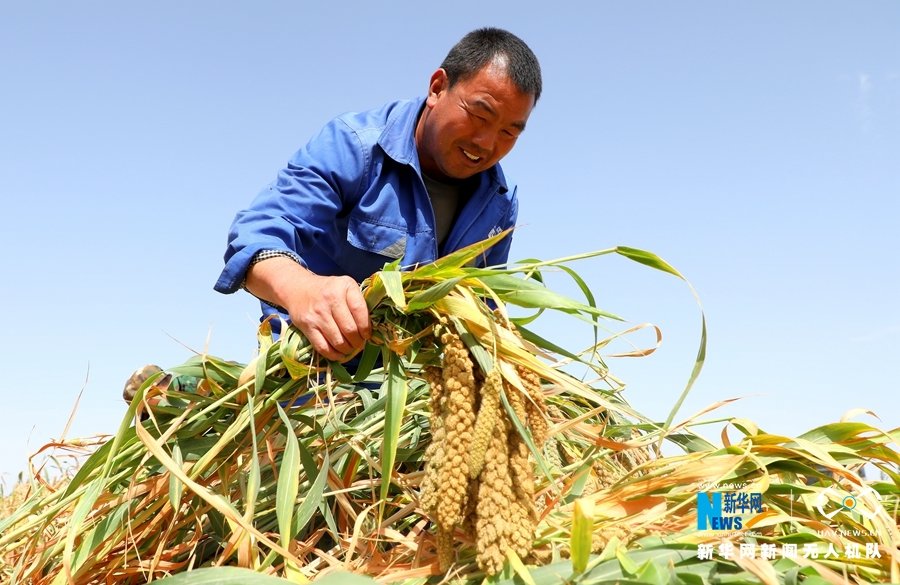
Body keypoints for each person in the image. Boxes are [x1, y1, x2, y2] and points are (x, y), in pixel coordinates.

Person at [123, 28, 542, 404]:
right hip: (314, 377)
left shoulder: (499, 203)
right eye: (479, 115)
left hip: (414, 392)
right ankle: (184, 394)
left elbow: (481, 307)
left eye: (509, 131)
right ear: (437, 87)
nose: (486, 142)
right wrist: (303, 290)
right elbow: (258, 235)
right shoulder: (354, 146)